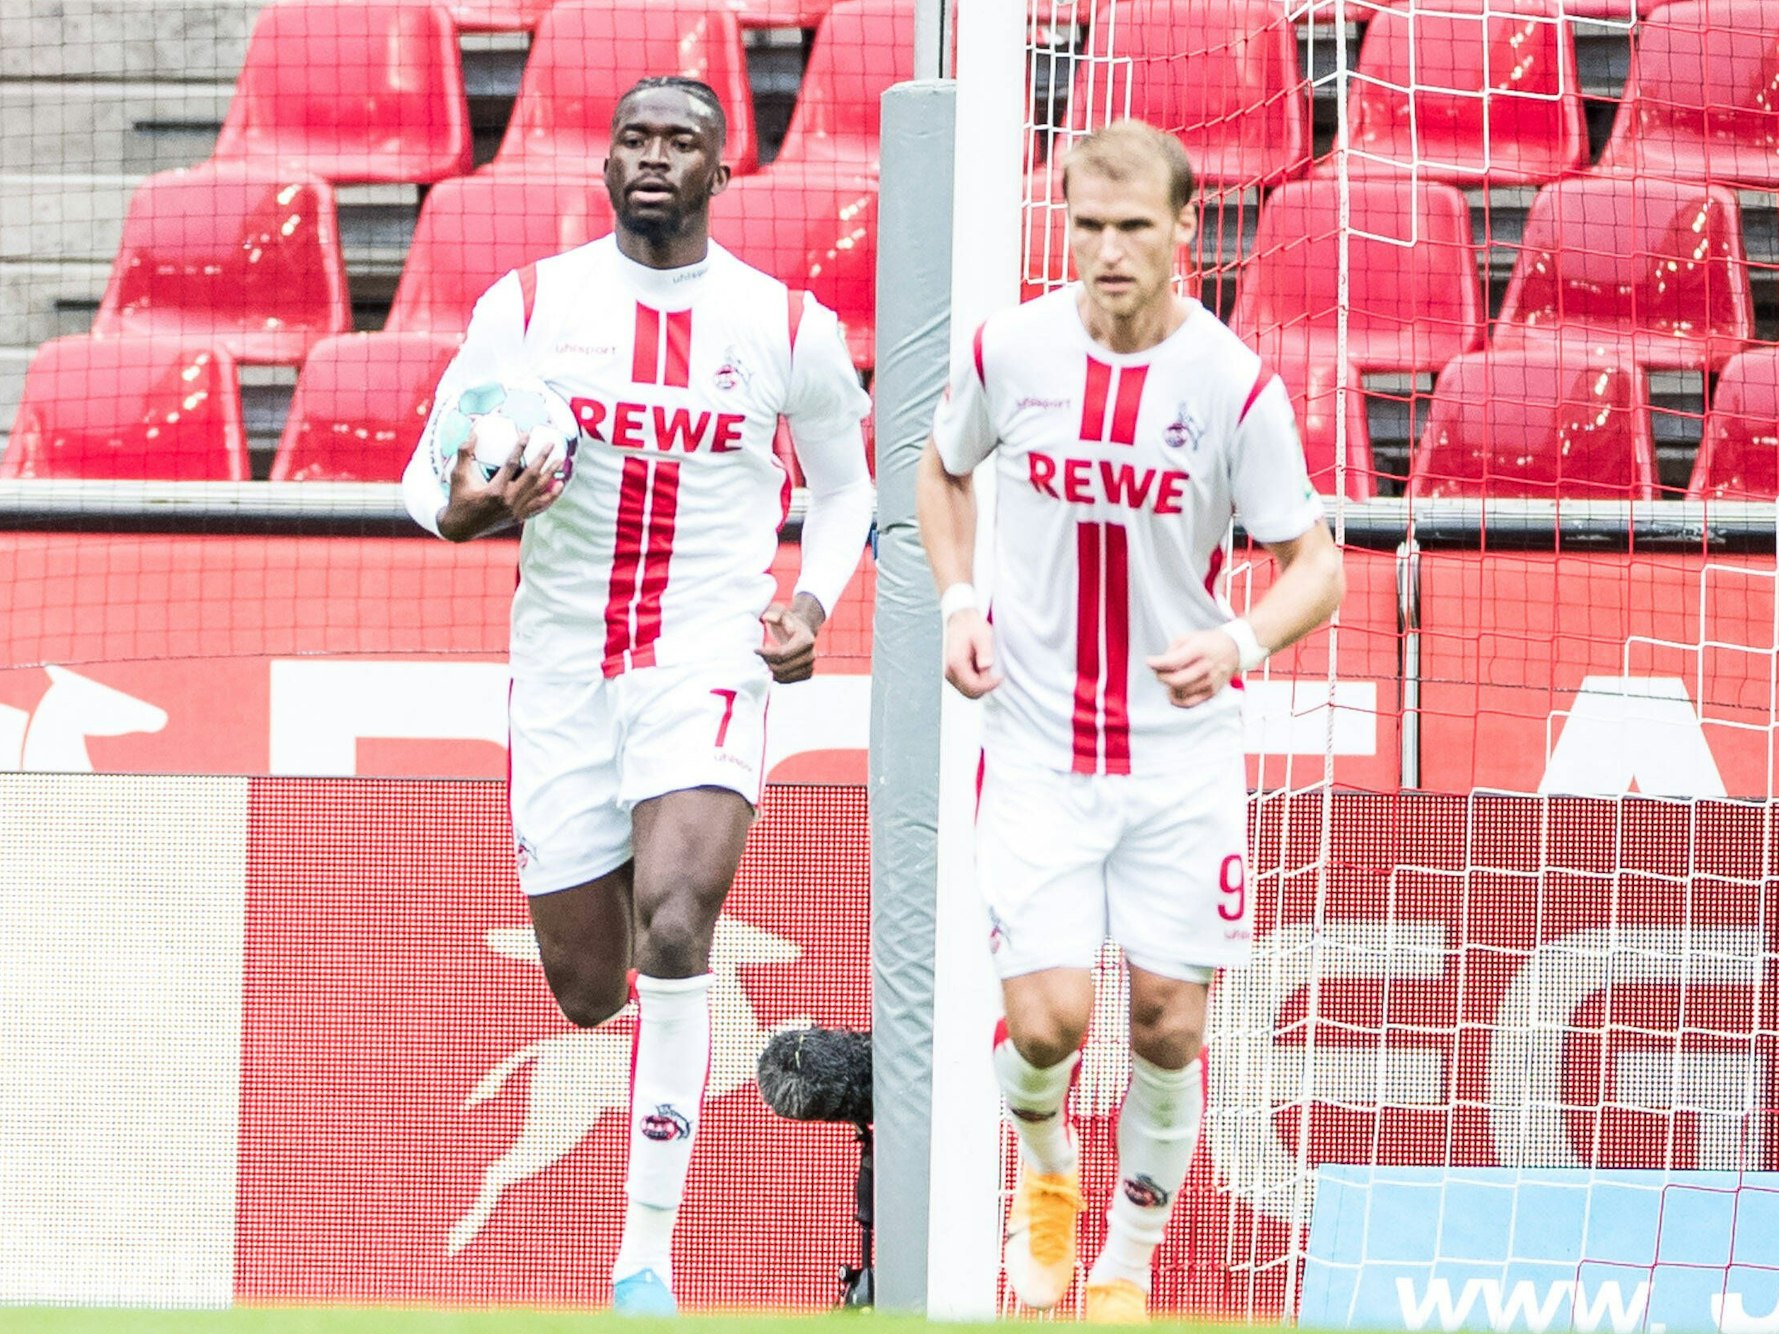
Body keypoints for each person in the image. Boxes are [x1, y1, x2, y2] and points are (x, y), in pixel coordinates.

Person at [402, 76, 874, 1316]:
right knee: (588, 986)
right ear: (605, 163)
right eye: (634, 138)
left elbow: (845, 490)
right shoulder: (533, 307)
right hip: (561, 671)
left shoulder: (783, 326)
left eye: (683, 142)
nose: (654, 158)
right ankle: (628, 870)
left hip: (704, 655)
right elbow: (427, 477)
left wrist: (812, 604)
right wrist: (470, 508)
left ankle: (643, 1256)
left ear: (724, 172)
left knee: (676, 922)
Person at [916, 119, 1345, 1324]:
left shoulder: (1232, 385)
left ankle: (1128, 1258)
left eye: (1132, 227)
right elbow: (940, 469)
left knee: (1166, 1022)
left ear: (1182, 231)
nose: (1107, 249)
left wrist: (1242, 640)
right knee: (1048, 1020)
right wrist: (958, 600)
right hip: (1039, 747)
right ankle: (1047, 1167)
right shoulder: (1014, 350)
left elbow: (1318, 565)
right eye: (1087, 225)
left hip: (1178, 759)